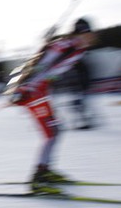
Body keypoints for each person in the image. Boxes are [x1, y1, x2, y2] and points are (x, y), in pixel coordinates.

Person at [11, 17, 96, 194]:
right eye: (86, 34)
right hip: (32, 92)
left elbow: (53, 70)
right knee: (51, 133)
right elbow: (39, 64)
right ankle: (39, 180)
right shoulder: (65, 45)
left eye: (90, 34)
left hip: (40, 92)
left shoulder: (79, 50)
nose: (90, 37)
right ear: (78, 34)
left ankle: (45, 170)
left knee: (56, 131)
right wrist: (23, 86)